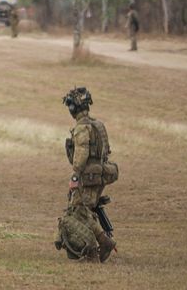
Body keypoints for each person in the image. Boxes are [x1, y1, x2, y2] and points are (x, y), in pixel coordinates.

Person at [61, 87, 117, 262]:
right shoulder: (98, 125)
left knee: (79, 212)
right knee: (85, 210)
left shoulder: (81, 128)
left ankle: (97, 246)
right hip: (101, 174)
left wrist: (75, 177)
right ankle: (100, 243)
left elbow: (81, 155)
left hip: (88, 177)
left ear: (73, 108)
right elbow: (105, 151)